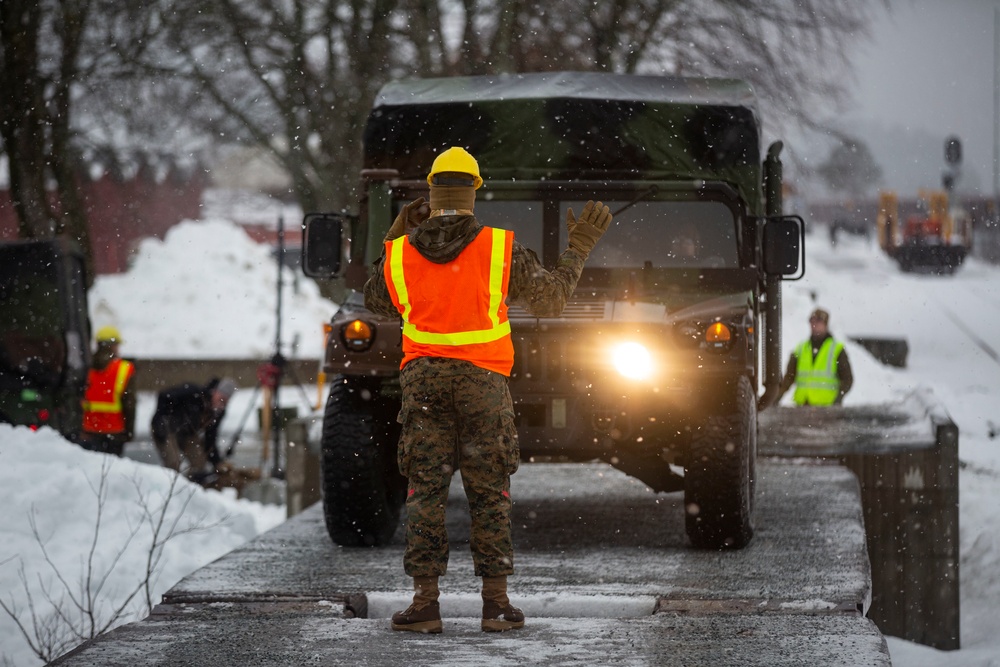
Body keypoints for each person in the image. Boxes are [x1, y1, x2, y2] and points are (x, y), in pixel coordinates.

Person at [363, 146, 612, 634]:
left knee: (425, 491)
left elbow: (376, 299)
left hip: (423, 384)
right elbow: (554, 300)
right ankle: (496, 606)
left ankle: (424, 606)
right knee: (490, 491)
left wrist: (397, 233)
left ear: (431, 193)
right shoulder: (500, 249)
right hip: (483, 384)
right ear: (475, 192)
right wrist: (579, 245)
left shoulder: (401, 253)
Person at [151, 377, 237, 485]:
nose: (222, 404)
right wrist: (161, 419)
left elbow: (210, 438)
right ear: (214, 392)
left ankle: (192, 488)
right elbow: (164, 396)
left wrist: (217, 462)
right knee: (174, 462)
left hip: (188, 434)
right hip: (166, 429)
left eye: (225, 401)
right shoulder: (193, 392)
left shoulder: (217, 413)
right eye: (221, 399)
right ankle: (170, 488)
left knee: (200, 463)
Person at [772, 308, 853, 407]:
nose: (814, 325)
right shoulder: (801, 349)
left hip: (827, 409)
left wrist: (837, 400)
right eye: (812, 321)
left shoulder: (836, 350)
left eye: (818, 321)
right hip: (802, 407)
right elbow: (788, 378)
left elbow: (847, 380)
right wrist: (775, 398)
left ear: (825, 324)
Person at [80, 326, 136, 457]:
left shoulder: (86, 367)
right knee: (112, 470)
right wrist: (129, 431)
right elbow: (129, 403)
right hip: (115, 431)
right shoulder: (124, 368)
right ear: (113, 346)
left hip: (89, 430)